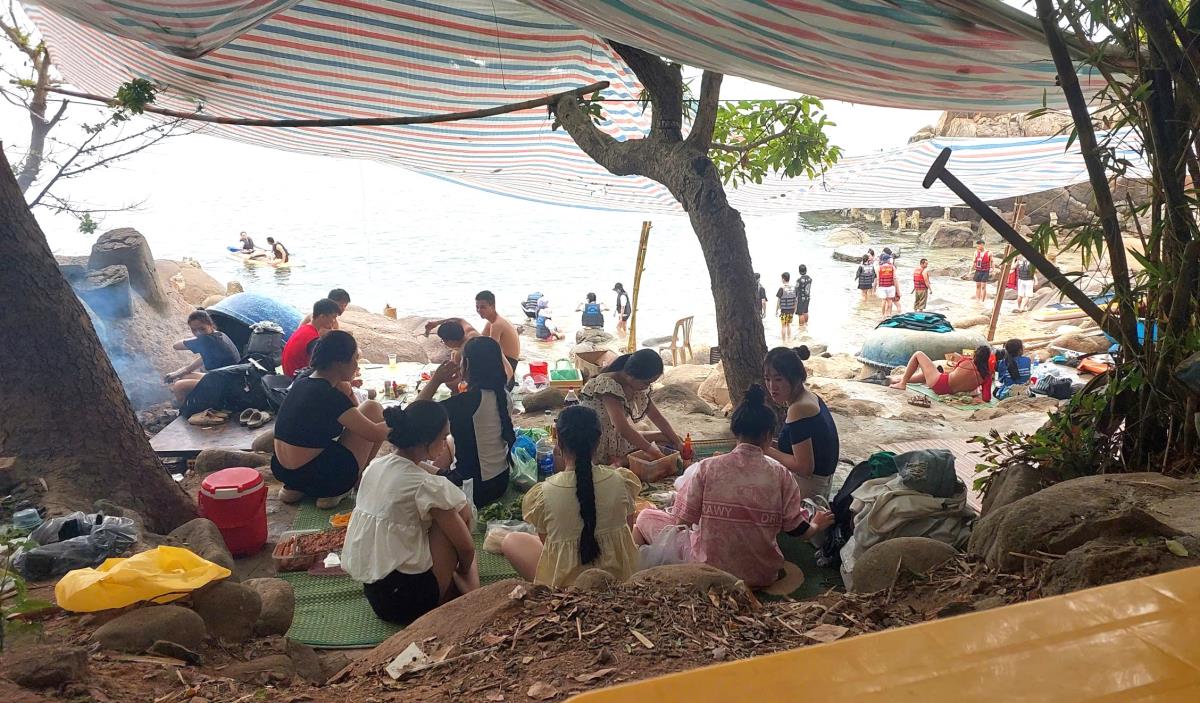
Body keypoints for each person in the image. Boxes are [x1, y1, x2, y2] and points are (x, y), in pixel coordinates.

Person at [633, 385, 834, 588]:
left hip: (710, 571)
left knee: (645, 517)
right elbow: (798, 530)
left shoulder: (708, 467)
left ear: (734, 432)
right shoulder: (781, 474)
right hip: (762, 574)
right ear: (768, 436)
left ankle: (634, 582)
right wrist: (816, 525)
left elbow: (681, 522)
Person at [342, 400, 478, 624]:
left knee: (441, 510)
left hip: (377, 597)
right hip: (412, 602)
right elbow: (466, 547)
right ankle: (467, 588)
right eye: (443, 437)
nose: (445, 443)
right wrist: (464, 569)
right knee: (453, 519)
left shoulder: (374, 467)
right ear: (426, 440)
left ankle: (455, 582)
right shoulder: (423, 485)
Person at [500, 405, 642, 587]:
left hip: (566, 591)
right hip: (618, 583)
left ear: (558, 442)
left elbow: (548, 547)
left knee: (511, 541)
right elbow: (627, 530)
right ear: (598, 440)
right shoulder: (621, 481)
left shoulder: (543, 494)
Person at [272, 331, 388, 508]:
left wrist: (346, 388)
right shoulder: (330, 396)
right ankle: (344, 486)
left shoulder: (302, 382)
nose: (356, 365)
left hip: (284, 471)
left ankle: (295, 490)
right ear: (339, 362)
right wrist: (399, 418)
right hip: (323, 477)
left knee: (314, 445)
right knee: (372, 408)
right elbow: (375, 433)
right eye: (354, 359)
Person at [418, 336, 516, 507]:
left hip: (474, 490)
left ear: (467, 365)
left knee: (406, 458)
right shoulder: (503, 394)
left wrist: (436, 380)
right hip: (500, 481)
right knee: (449, 441)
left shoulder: (468, 402)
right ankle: (445, 472)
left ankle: (445, 477)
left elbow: (413, 413)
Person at [578, 349, 683, 480]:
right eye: (646, 382)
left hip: (615, 437)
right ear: (631, 375)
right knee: (650, 448)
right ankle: (620, 461)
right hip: (598, 440)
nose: (647, 386)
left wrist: (678, 443)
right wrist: (654, 453)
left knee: (671, 438)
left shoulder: (635, 385)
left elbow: (657, 417)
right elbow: (623, 429)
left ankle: (622, 460)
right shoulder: (608, 385)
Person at [763, 346, 841, 499]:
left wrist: (765, 448)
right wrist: (762, 443)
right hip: (820, 482)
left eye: (778, 379)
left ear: (796, 378)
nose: (772, 387)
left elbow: (804, 468)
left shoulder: (799, 408)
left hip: (810, 488)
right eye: (767, 379)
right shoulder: (810, 396)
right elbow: (797, 447)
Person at [424, 290, 521, 388]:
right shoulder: (491, 323)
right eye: (477, 307)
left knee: (457, 380)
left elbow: (491, 354)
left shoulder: (497, 325)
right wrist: (436, 323)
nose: (479, 310)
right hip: (505, 363)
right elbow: (459, 320)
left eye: (483, 307)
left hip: (508, 369)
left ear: (493, 306)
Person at [164, 309, 241, 403]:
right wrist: (180, 372)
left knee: (178, 386)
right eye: (194, 330)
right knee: (185, 376)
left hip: (226, 387)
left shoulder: (206, 340)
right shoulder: (219, 335)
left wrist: (197, 338)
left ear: (211, 325)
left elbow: (176, 345)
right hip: (227, 380)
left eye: (202, 329)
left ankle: (186, 409)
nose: (198, 333)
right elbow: (204, 358)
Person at [890, 345, 993, 402]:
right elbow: (987, 398)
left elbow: (955, 372)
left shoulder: (966, 361)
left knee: (918, 354)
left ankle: (902, 383)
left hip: (939, 383)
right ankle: (896, 380)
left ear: (975, 355)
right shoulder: (987, 376)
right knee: (925, 375)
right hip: (949, 391)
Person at [282, 298, 342, 377]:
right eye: (333, 317)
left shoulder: (304, 328)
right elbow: (321, 366)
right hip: (295, 378)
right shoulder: (313, 338)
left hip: (289, 373)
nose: (334, 321)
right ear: (322, 317)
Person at [776, 271, 797, 342]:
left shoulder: (781, 288)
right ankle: (789, 339)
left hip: (784, 310)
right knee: (788, 325)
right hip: (791, 309)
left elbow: (778, 301)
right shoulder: (794, 288)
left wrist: (776, 310)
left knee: (783, 325)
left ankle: (784, 341)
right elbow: (796, 300)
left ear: (783, 279)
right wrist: (795, 309)